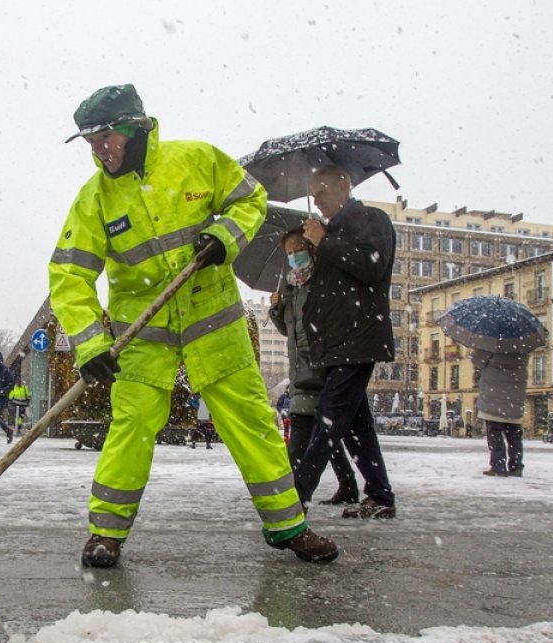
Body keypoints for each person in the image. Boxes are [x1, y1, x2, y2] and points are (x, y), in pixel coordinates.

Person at [49, 83, 337, 567]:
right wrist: (90, 344)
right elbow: (69, 274)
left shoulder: (198, 160)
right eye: (89, 141)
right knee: (132, 426)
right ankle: (105, 534)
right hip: (142, 337)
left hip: (213, 323)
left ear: (133, 127)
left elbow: (250, 200)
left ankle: (289, 526)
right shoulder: (94, 200)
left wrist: (224, 235)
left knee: (250, 423)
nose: (97, 150)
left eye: (104, 137)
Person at [293, 165, 397, 519]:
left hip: (358, 338)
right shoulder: (329, 232)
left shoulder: (372, 220)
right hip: (334, 342)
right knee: (356, 427)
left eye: (321, 190)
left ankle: (297, 497)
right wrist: (308, 254)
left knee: (328, 419)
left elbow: (373, 267)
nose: (317, 199)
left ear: (343, 184)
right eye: (313, 193)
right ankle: (380, 494)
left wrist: (326, 242)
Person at [270, 228, 360, 507]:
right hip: (299, 370)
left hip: (323, 368)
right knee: (324, 435)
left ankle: (291, 497)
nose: (293, 257)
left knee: (303, 438)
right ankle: (347, 486)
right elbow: (289, 331)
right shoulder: (289, 287)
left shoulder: (324, 281)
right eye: (288, 253)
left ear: (310, 248)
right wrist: (276, 311)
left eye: (298, 250)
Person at [471, 347, 529, 477]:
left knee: (495, 435)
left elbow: (477, 361)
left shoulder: (489, 345)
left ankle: (498, 466)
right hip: (514, 399)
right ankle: (516, 466)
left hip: (493, 400)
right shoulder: (522, 348)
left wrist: (477, 350)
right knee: (514, 436)